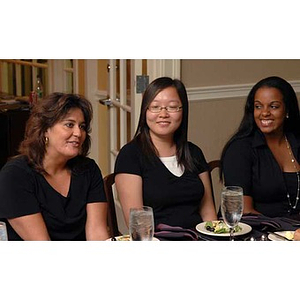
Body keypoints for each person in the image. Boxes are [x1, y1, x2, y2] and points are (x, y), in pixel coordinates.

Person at [0, 93, 109, 240]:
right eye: (69, 124)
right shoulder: (15, 175)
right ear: (45, 129)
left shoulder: (88, 170)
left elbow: (97, 233)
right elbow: (42, 245)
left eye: (82, 126)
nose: (78, 133)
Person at [114, 77, 217, 230]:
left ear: (183, 111)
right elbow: (138, 227)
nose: (163, 114)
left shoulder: (194, 153)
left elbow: (209, 215)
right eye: (155, 107)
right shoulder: (130, 155)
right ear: (145, 111)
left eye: (172, 107)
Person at [220, 76, 300, 218]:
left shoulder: (296, 141)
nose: (264, 113)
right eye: (258, 106)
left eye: (273, 106)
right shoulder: (240, 149)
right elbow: (244, 212)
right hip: (259, 231)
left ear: (287, 110)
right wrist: (283, 232)